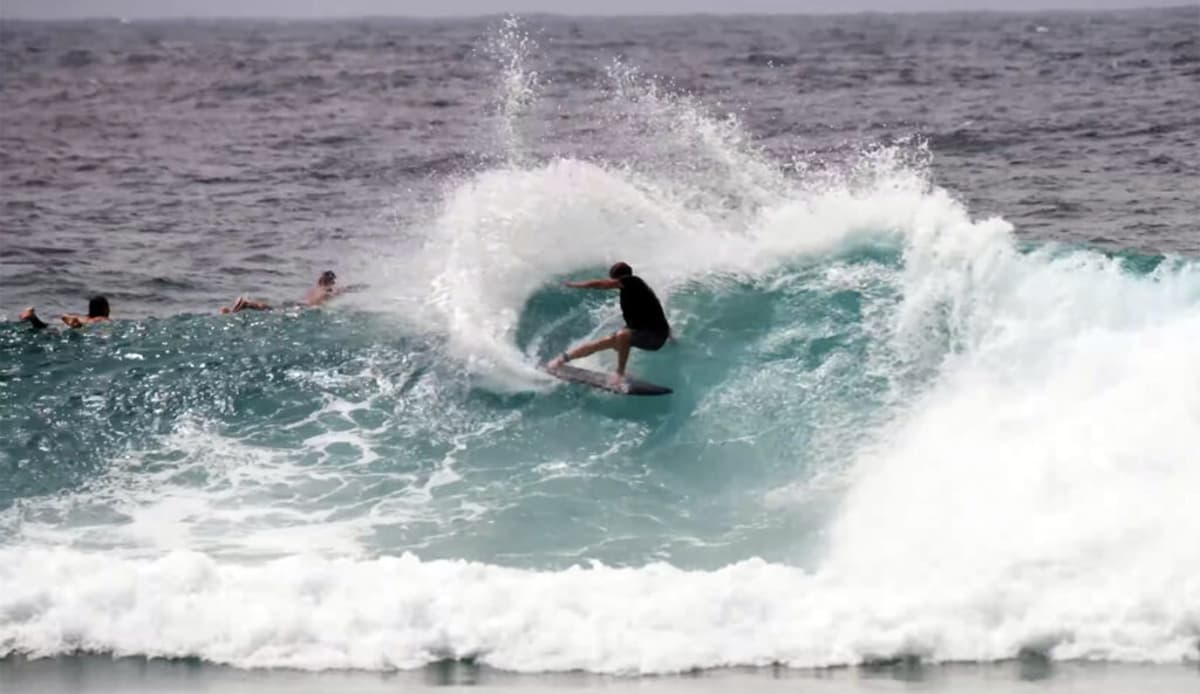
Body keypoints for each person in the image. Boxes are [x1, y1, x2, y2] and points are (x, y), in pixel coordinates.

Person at [548, 262, 670, 386]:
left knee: (622, 335)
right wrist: (670, 335)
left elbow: (600, 284)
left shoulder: (633, 281)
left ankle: (619, 374)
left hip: (654, 337)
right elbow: (657, 312)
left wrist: (574, 284)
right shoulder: (637, 291)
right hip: (646, 333)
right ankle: (561, 360)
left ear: (618, 278)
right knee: (600, 344)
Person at [19, 295, 111, 330]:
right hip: (78, 324)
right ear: (104, 308)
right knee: (79, 327)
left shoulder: (84, 317)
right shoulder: (101, 318)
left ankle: (32, 316)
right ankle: (75, 324)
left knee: (43, 327)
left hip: (66, 323)